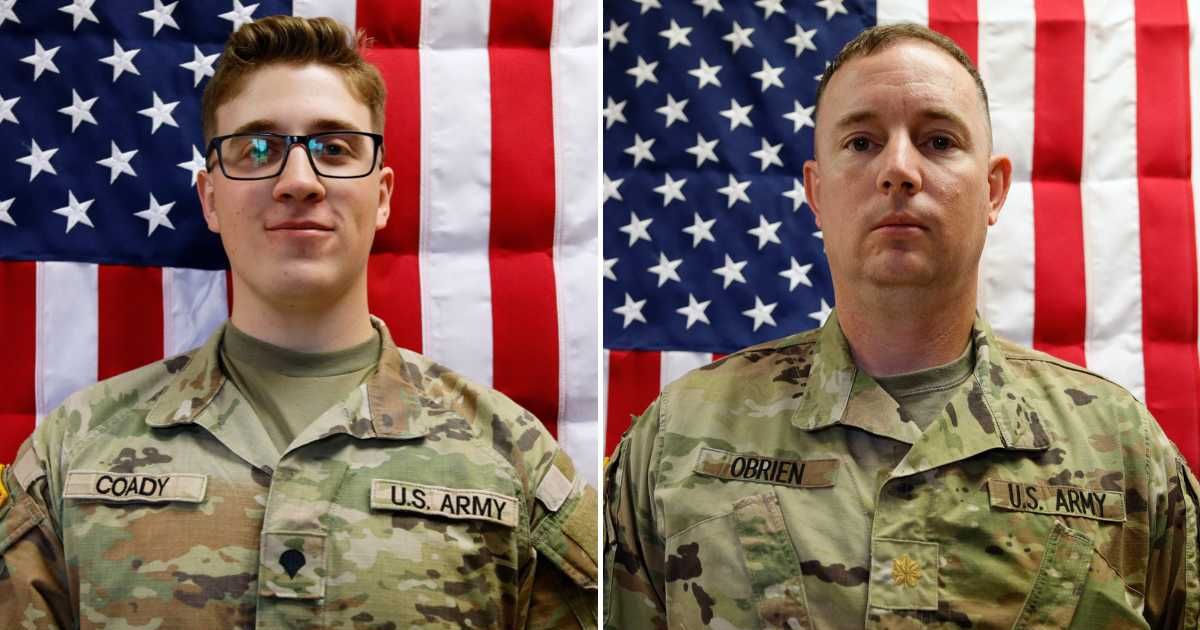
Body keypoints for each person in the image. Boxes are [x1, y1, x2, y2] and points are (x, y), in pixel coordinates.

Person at [0, 15, 597, 629]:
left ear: (383, 194)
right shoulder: (73, 453)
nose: (298, 181)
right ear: (210, 197)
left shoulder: (513, 461)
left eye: (334, 149)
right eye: (256, 149)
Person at [604, 23, 1200, 630]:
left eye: (939, 141)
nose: (898, 170)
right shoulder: (679, 440)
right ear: (816, 191)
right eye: (861, 143)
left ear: (993, 191)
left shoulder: (1124, 449)